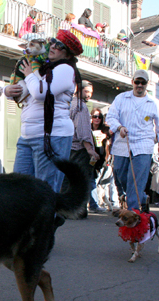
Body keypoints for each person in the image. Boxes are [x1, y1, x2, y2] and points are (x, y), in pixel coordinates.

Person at [4, 29, 83, 195]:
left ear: (68, 54)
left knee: (45, 191)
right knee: (19, 189)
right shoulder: (41, 68)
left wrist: (29, 74)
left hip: (51, 136)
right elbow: (23, 94)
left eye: (59, 45)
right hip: (28, 136)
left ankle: (49, 220)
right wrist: (7, 90)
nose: (53, 46)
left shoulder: (66, 69)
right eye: (53, 41)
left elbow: (41, 93)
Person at [107, 69, 159, 211]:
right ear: (132, 82)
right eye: (137, 82)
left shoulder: (154, 103)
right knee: (120, 173)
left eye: (142, 82)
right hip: (122, 143)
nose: (139, 85)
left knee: (137, 178)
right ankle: (141, 198)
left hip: (144, 144)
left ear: (147, 84)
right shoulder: (121, 98)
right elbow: (111, 117)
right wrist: (119, 127)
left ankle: (133, 213)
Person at [62, 80, 104, 218]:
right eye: (86, 91)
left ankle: (65, 209)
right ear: (78, 89)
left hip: (66, 147)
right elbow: (82, 130)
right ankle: (78, 210)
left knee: (67, 179)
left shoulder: (67, 103)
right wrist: (89, 149)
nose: (88, 95)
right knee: (80, 181)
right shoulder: (80, 106)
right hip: (79, 149)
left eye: (91, 93)